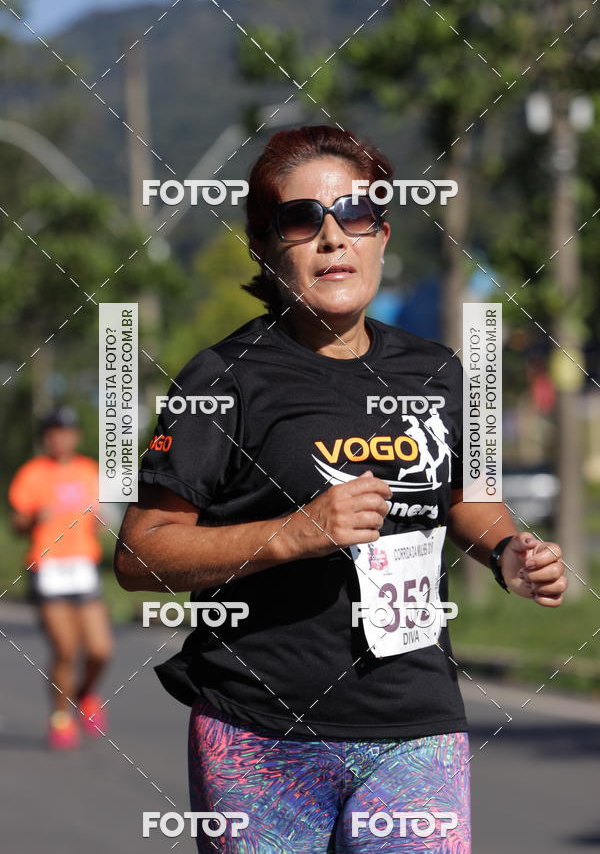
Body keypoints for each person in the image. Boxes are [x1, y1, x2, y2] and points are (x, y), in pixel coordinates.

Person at [115, 125, 567, 852]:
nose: (333, 238)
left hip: (416, 725)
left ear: (383, 237)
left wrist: (509, 548)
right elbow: (141, 553)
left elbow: (464, 496)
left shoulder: (440, 370)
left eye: (356, 215)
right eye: (302, 220)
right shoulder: (223, 379)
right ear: (265, 247)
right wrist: (296, 532)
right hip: (262, 732)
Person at [9, 406, 113, 749]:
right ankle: (60, 716)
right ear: (45, 438)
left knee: (100, 649)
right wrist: (34, 517)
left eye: (66, 431)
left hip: (83, 568)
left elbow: (103, 515)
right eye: (53, 432)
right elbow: (16, 523)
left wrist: (102, 520)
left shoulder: (89, 471)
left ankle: (83, 694)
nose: (60, 438)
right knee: (66, 649)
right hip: (48, 568)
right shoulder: (32, 474)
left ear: (76, 436)